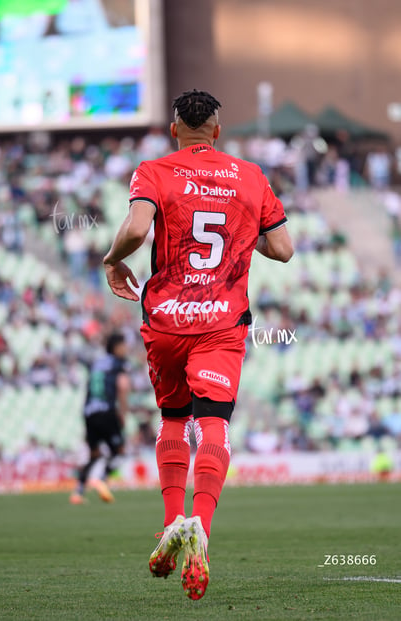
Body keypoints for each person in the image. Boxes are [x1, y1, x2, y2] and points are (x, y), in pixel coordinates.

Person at [103, 90, 293, 599]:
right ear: (216, 129)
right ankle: (200, 526)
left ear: (173, 131)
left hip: (166, 319)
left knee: (171, 420)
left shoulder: (154, 170)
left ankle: (170, 522)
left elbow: (138, 229)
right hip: (221, 321)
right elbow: (283, 248)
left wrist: (109, 259)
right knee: (214, 425)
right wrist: (240, 228)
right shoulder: (250, 176)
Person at [70, 332, 130, 504]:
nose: (125, 349)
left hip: (89, 412)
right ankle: (102, 480)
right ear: (116, 347)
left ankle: (78, 492)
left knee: (94, 455)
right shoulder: (118, 363)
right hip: (107, 411)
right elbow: (123, 386)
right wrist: (123, 413)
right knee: (120, 452)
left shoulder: (97, 362)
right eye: (123, 346)